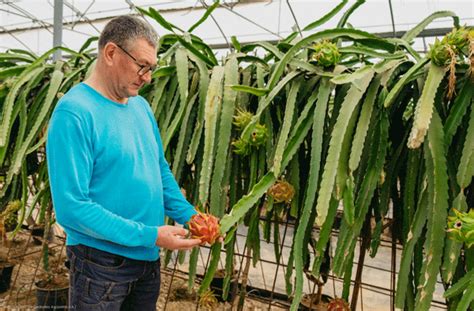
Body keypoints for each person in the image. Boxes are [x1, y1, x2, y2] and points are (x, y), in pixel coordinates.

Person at [46, 15, 202, 310]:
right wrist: (150, 234)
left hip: (146, 260)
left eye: (151, 68)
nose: (147, 77)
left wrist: (190, 216)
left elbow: (159, 170)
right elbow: (71, 208)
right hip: (99, 265)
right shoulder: (74, 113)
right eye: (141, 65)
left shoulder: (141, 107)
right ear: (111, 53)